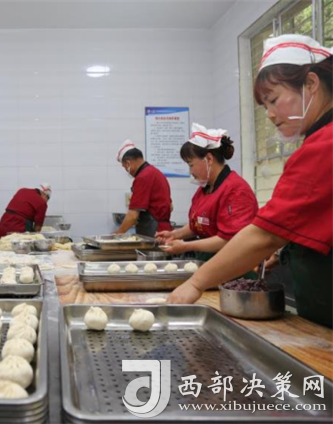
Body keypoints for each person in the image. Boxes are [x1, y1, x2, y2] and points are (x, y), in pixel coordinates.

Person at [168, 34, 332, 328]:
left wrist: (195, 283)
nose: (269, 114)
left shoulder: (325, 145)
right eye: (264, 106)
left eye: (274, 100)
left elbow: (263, 236)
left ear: (310, 84)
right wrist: (284, 251)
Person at [156, 123, 258, 266]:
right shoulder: (206, 188)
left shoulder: (235, 190)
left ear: (209, 159)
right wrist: (174, 234)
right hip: (209, 261)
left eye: (191, 164)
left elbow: (229, 240)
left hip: (234, 265)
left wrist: (186, 246)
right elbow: (199, 224)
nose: (190, 172)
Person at [114, 140, 172, 236]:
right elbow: (171, 206)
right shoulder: (155, 172)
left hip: (155, 234)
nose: (127, 171)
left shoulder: (143, 177)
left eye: (124, 167)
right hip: (163, 230)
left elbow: (133, 216)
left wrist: (118, 234)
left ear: (128, 163)